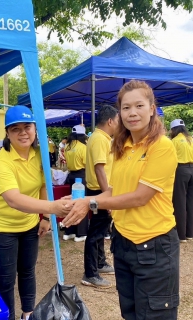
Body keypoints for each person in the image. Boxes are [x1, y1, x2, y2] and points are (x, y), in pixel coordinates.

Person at [63, 80, 179, 319]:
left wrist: (91, 203)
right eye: (126, 108)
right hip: (123, 242)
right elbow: (115, 191)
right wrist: (81, 200)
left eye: (139, 105)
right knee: (131, 313)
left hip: (154, 244)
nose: (132, 113)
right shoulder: (122, 147)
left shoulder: (162, 146)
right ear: (119, 113)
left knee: (153, 315)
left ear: (151, 108)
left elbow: (140, 197)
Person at [0, 105, 72, 320]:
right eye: (16, 129)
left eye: (27, 127)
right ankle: (8, 317)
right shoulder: (0, 160)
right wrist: (53, 209)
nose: (23, 133)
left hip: (30, 224)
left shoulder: (40, 155)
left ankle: (28, 314)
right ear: (7, 133)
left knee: (27, 271)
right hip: (3, 227)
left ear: (35, 129)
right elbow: (13, 199)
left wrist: (44, 218)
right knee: (6, 279)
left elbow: (44, 186)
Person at [82, 104, 119, 288]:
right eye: (118, 121)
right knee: (96, 233)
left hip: (102, 191)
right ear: (111, 121)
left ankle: (100, 262)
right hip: (99, 192)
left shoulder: (103, 138)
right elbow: (99, 168)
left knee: (101, 229)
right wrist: (107, 197)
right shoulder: (99, 139)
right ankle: (90, 273)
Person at [169, 119, 193, 243]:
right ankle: (190, 233)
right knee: (190, 203)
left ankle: (181, 235)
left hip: (181, 171)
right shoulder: (191, 139)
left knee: (179, 203)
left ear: (173, 129)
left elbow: (170, 160)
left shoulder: (174, 141)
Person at [63, 124, 89, 242]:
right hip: (81, 176)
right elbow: (87, 164)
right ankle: (81, 233)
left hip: (70, 176)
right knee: (81, 203)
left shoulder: (67, 146)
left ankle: (69, 231)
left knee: (71, 203)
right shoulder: (83, 147)